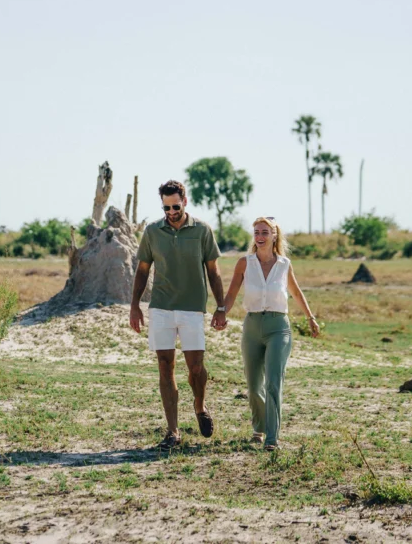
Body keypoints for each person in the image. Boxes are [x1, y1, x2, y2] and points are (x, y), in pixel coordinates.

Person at [130, 180, 227, 449]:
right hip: (161, 307)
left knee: (195, 368)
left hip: (192, 308)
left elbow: (213, 271)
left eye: (175, 205)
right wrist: (135, 305)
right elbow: (142, 271)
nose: (171, 211)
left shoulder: (202, 230)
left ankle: (199, 406)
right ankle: (173, 431)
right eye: (165, 207)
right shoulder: (152, 232)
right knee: (165, 365)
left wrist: (220, 307)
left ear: (185, 201)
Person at [217, 216, 319, 451]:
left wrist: (310, 317)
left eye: (264, 232)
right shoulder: (245, 263)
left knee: (273, 382)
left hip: (278, 327)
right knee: (254, 386)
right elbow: (232, 292)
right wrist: (221, 311)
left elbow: (295, 291)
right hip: (252, 326)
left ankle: (272, 438)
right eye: (256, 232)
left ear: (274, 236)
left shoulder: (284, 264)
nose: (260, 237)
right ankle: (259, 429)